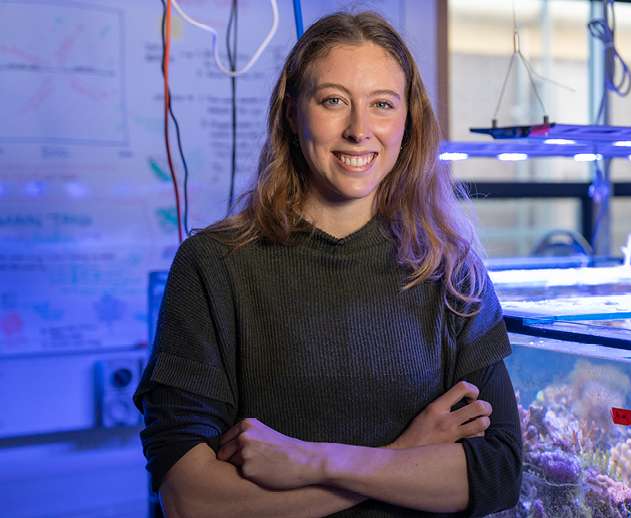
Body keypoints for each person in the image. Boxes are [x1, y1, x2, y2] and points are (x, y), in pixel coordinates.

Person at [133, 10, 523, 518]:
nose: (360, 130)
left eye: (382, 104)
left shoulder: (451, 269)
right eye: (333, 101)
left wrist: (314, 461)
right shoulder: (213, 266)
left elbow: (496, 474)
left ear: (408, 122)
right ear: (293, 114)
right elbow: (193, 501)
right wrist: (403, 456)